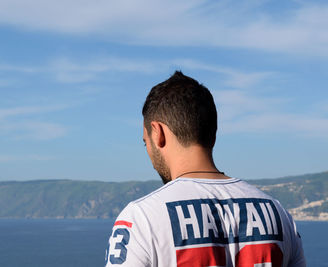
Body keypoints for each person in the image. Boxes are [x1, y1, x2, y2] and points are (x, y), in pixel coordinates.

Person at [105, 71, 306, 266]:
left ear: (158, 133)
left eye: (145, 142)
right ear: (212, 132)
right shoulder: (279, 214)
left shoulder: (141, 218)